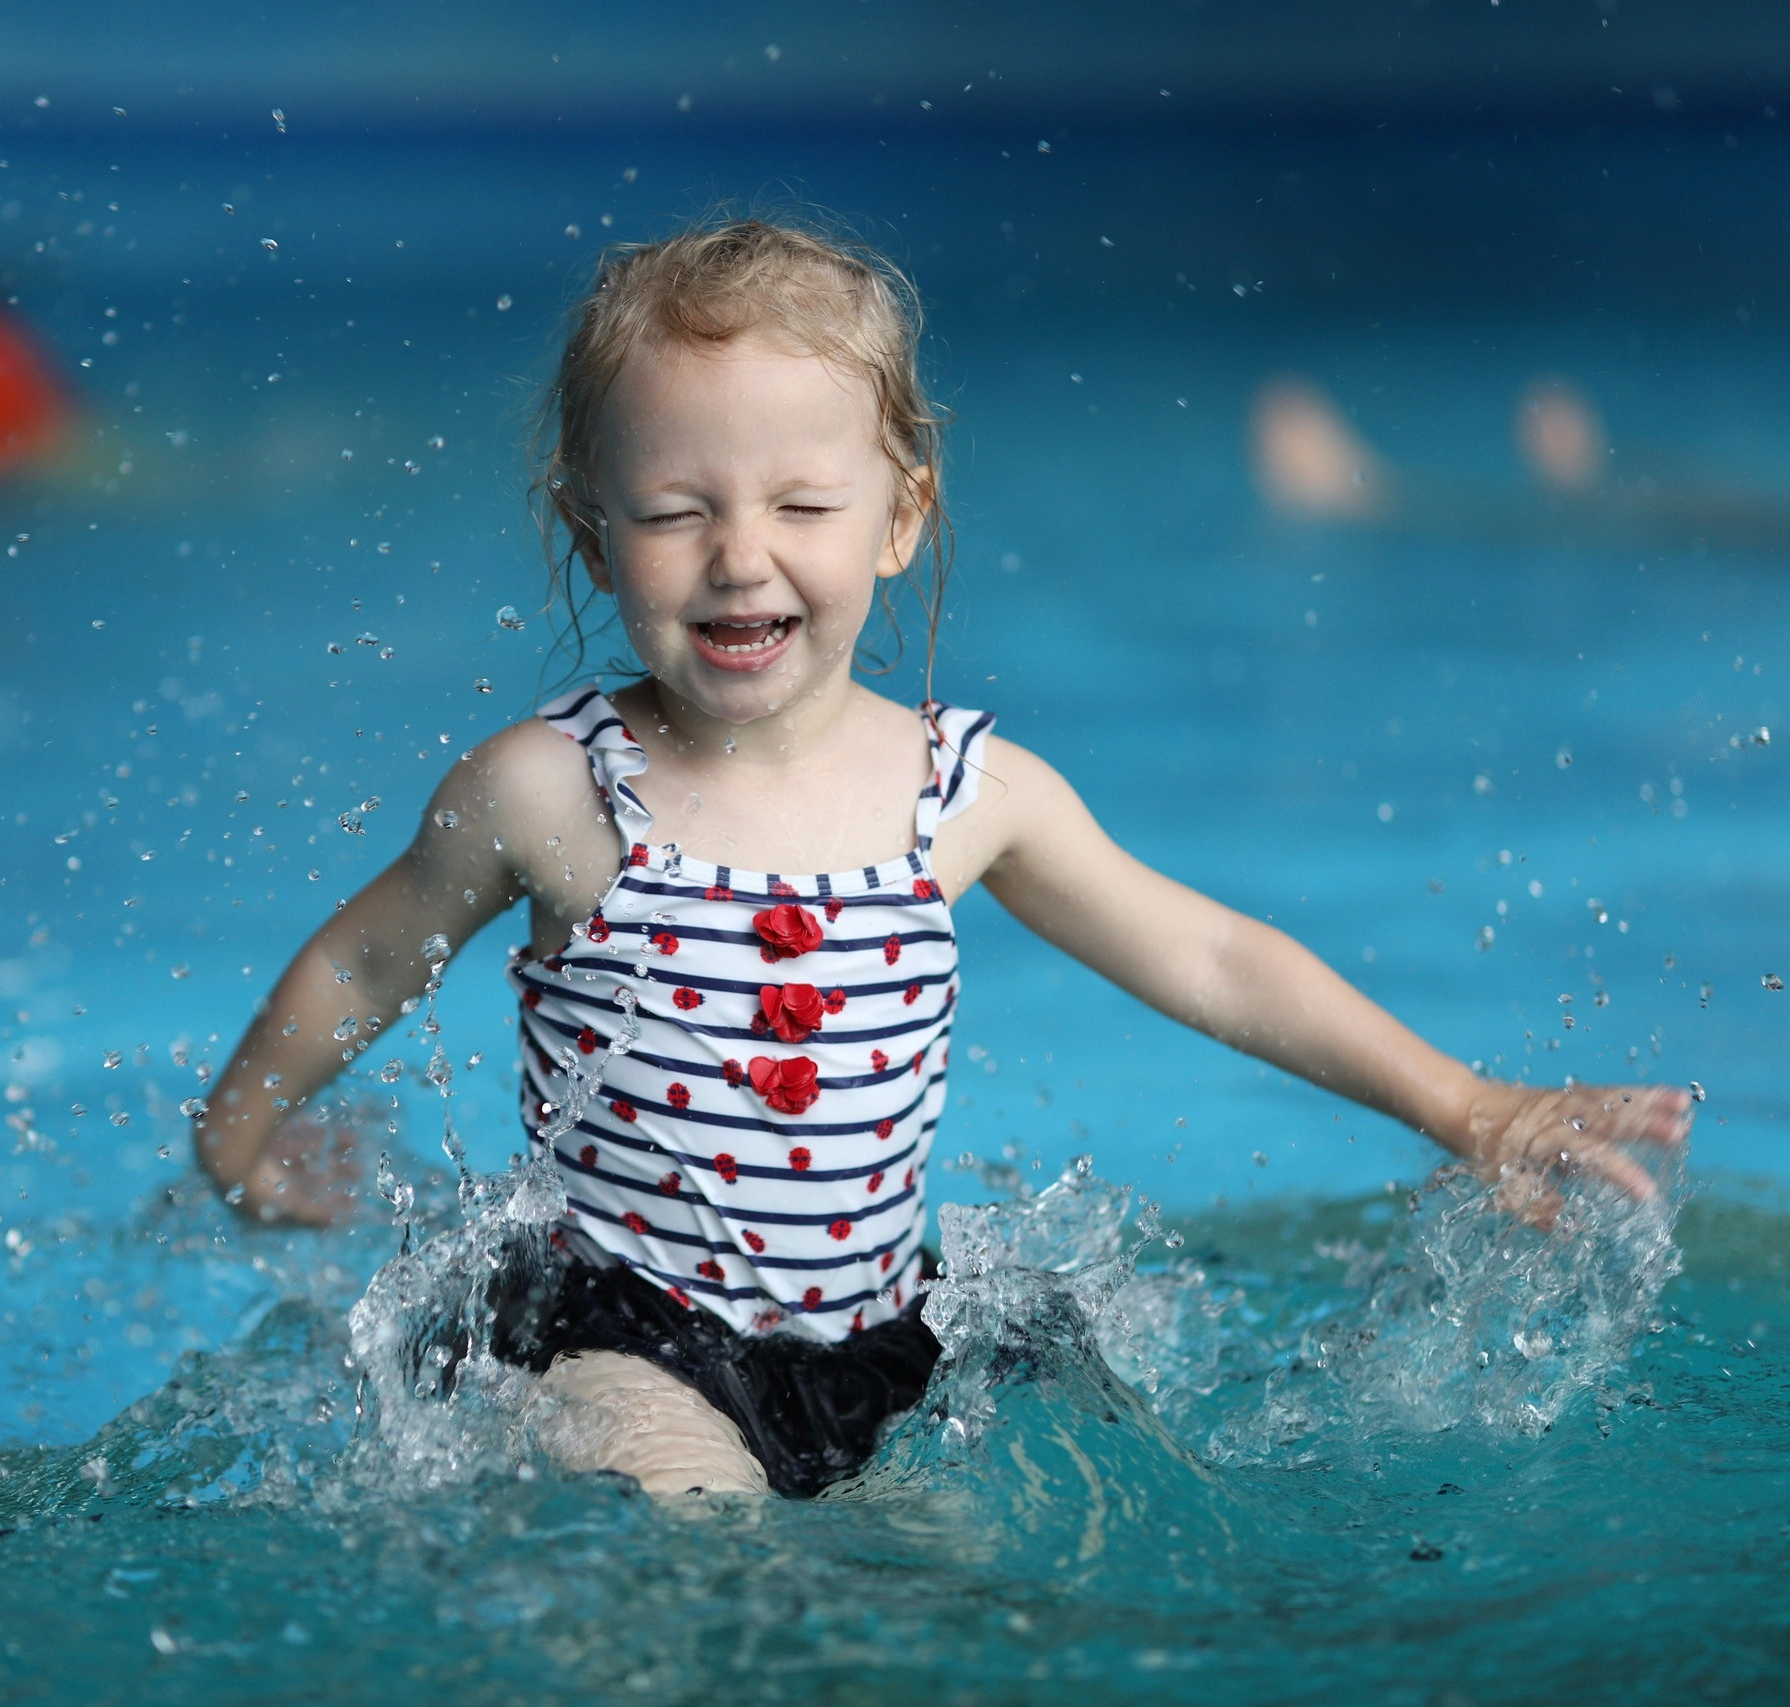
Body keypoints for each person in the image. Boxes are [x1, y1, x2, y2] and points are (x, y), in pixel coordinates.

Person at [196, 219, 1693, 1500]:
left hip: (883, 1338)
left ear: (900, 517)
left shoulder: (965, 791)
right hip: (619, 1320)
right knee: (688, 1527)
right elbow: (371, 957)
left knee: (968, 1579)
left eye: (802, 505)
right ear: (594, 539)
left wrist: (1467, 1106)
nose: (739, 554)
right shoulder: (552, 790)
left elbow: (1209, 955)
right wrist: (243, 1137)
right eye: (673, 512)